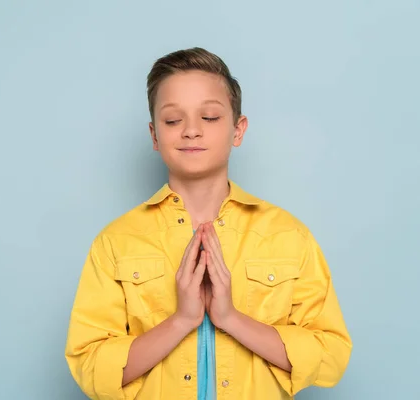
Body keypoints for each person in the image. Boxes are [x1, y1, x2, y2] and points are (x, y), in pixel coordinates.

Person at [64, 47, 352, 400]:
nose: (191, 131)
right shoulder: (115, 242)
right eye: (173, 121)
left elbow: (331, 355)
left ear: (238, 129)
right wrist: (181, 320)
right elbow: (90, 367)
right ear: (155, 136)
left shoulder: (288, 236)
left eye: (210, 117)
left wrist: (230, 317)